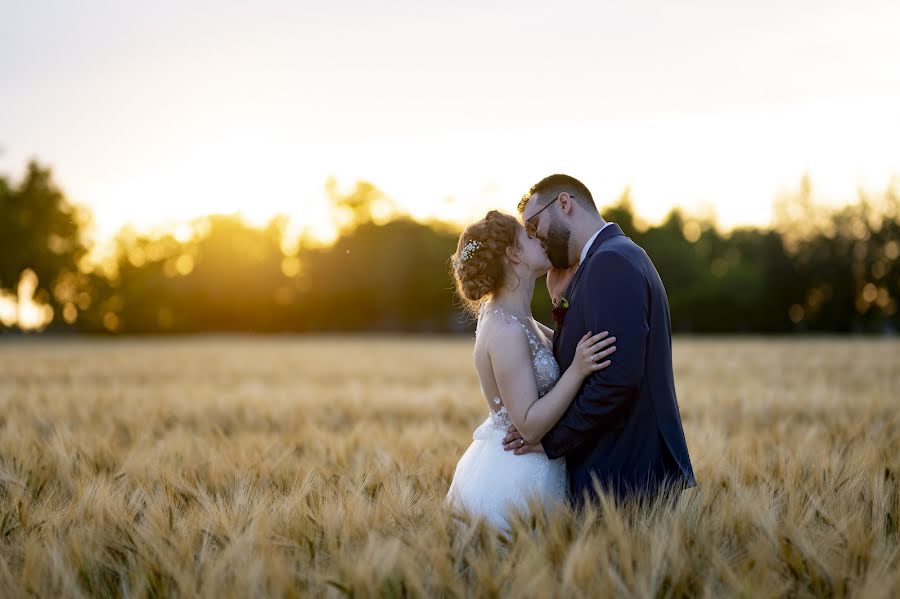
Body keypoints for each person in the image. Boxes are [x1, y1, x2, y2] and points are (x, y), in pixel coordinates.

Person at [504, 174, 696, 504]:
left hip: (622, 476)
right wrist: (558, 303)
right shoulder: (612, 257)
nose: (536, 239)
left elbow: (615, 380)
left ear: (564, 204)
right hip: (625, 473)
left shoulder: (610, 262)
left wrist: (550, 442)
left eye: (535, 226)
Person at [445, 210, 617, 529]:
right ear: (513, 254)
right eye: (528, 236)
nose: (538, 237)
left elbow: (560, 349)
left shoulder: (516, 318)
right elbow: (528, 427)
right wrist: (577, 370)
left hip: (538, 466)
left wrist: (560, 297)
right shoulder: (506, 330)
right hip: (517, 478)